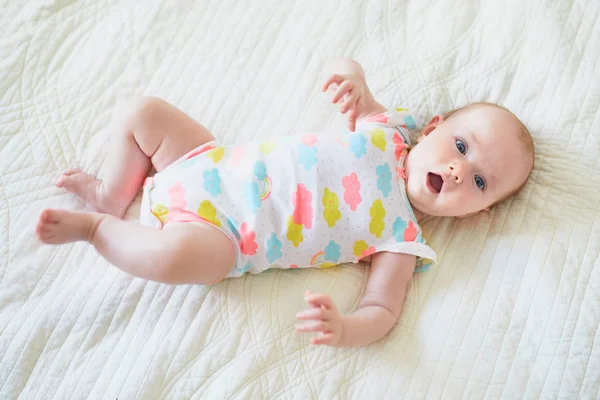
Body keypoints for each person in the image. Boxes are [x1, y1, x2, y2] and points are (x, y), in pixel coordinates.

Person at [35, 59, 535, 347]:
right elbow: (349, 70)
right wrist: (351, 81)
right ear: (432, 128)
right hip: (206, 162)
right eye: (462, 148)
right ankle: (110, 196)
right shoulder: (387, 131)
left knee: (171, 258)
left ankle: (98, 231)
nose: (457, 171)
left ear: (477, 215)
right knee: (141, 112)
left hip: (227, 237)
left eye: (479, 182)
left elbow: (382, 310)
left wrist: (345, 328)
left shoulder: (401, 240)